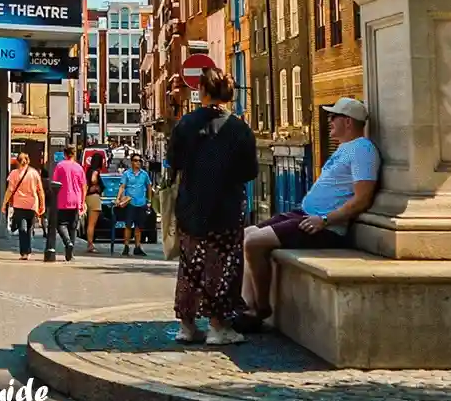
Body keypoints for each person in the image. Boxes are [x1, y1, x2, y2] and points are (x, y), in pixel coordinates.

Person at [242, 97, 379, 325]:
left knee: (254, 242)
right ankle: (247, 306)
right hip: (305, 214)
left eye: (333, 117)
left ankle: (261, 308)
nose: (329, 121)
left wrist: (325, 219)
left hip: (324, 225)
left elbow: (362, 199)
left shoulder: (363, 149)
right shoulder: (346, 148)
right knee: (247, 234)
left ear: (347, 122)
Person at [169, 69, 260, 345]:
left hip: (191, 207)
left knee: (190, 265)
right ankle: (218, 327)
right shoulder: (239, 128)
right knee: (225, 266)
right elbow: (250, 171)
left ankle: (187, 326)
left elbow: (174, 162)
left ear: (203, 92)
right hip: (226, 209)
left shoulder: (186, 124)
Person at [2, 151, 46, 261]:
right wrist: (42, 204)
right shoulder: (35, 173)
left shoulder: (14, 174)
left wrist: (4, 204)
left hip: (19, 204)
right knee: (30, 228)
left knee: (22, 229)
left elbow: (10, 190)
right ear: (28, 161)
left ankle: (23, 253)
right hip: (32, 205)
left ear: (17, 161)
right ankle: (29, 250)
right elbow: (40, 190)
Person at [113, 152, 153, 256]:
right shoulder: (127, 174)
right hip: (130, 203)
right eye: (135, 160)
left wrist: (149, 201)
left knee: (139, 227)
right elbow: (122, 186)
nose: (138, 163)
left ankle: (137, 247)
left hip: (141, 203)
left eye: (139, 161)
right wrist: (118, 199)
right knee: (128, 225)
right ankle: (126, 246)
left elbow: (149, 186)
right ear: (131, 162)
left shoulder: (144, 174)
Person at [51, 144, 87, 262]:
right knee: (73, 227)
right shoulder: (79, 167)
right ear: (74, 154)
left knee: (60, 224)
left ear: (65, 154)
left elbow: (54, 183)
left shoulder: (60, 166)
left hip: (62, 199)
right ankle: (70, 254)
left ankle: (67, 242)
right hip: (76, 199)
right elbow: (84, 186)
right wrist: (82, 201)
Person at [84, 157, 106, 255]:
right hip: (94, 198)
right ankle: (90, 244)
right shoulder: (95, 171)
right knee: (92, 224)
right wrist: (96, 185)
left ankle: (89, 243)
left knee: (89, 223)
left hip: (88, 197)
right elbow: (93, 179)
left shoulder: (88, 170)